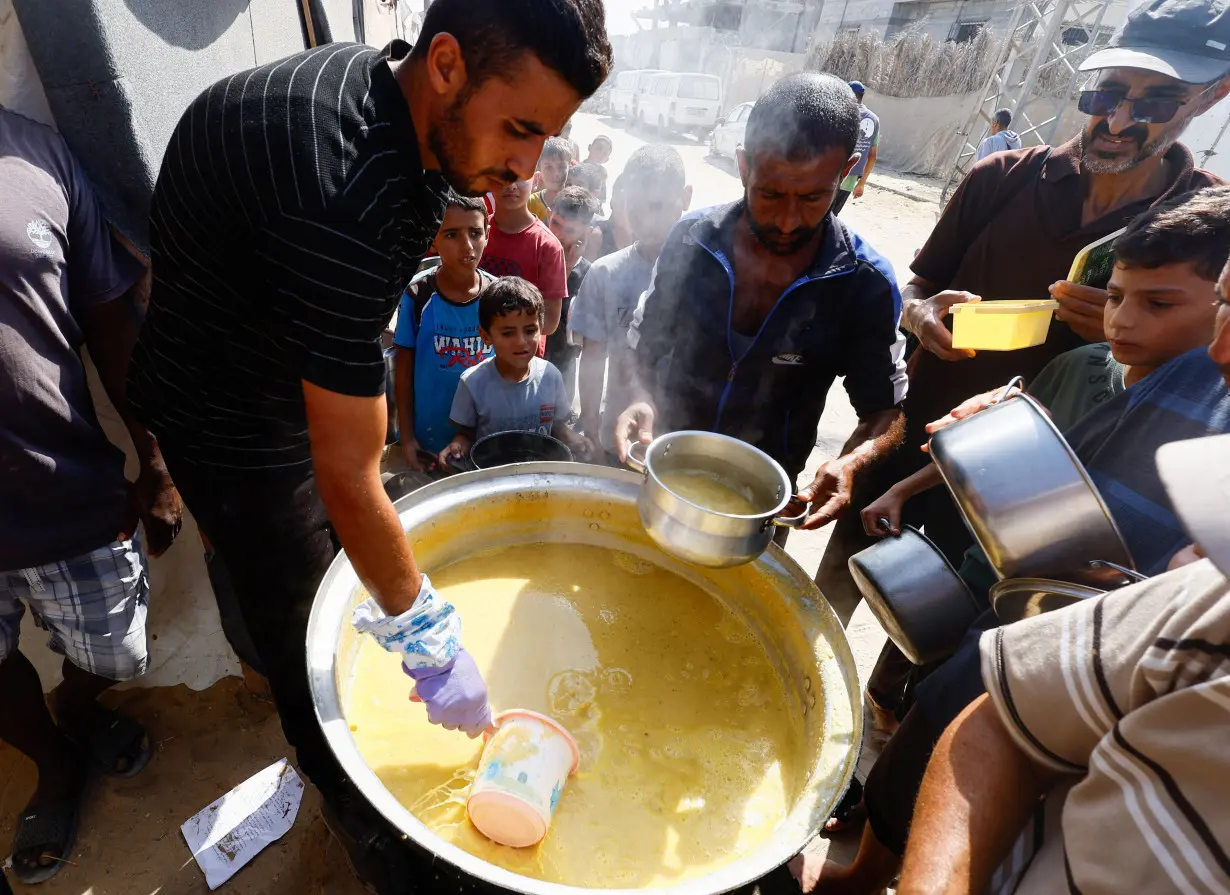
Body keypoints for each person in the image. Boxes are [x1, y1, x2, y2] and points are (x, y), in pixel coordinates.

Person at [124, 1, 612, 889]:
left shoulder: (394, 104)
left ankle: (262, 634)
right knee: (303, 629)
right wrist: (432, 644)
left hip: (254, 352)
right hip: (230, 424)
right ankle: (384, 847)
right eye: (521, 128)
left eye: (549, 138)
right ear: (450, 63)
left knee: (305, 589)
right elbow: (347, 473)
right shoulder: (344, 191)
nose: (525, 170)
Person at [794, 193, 1230, 894]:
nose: (1123, 319)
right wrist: (906, 487)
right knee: (927, 720)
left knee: (1008, 792)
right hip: (1006, 598)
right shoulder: (1085, 369)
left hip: (1100, 651)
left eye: (1160, 304)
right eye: (1116, 297)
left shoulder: (1211, 416)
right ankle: (868, 864)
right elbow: (1003, 437)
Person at [814, 0, 1229, 627]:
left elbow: (1212, 369)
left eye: (1153, 103)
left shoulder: (1207, 224)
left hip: (1048, 484)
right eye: (1107, 94)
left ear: (1209, 99)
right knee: (842, 584)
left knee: (953, 629)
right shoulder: (1002, 177)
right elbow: (916, 285)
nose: (1117, 120)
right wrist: (922, 315)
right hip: (917, 432)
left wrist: (1130, 336)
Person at [896, 430, 1230, 895]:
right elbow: (1000, 727)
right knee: (920, 728)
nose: (1187, 560)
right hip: (1019, 622)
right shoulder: (1212, 607)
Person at [615, 73, 908, 570]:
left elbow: (887, 411)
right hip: (663, 479)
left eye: (814, 197)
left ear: (849, 172)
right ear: (743, 164)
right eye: (769, 193)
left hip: (757, 511)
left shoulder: (863, 282)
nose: (789, 220)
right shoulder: (691, 240)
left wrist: (851, 461)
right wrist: (639, 396)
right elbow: (645, 341)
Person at [0, 107, 184, 885]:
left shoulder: (38, 152)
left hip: (67, 489)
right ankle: (53, 760)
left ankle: (77, 705)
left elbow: (112, 323)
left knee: (121, 650)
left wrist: (158, 461)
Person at [571, 145, 691, 461]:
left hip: (685, 443)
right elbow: (593, 357)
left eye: (658, 207)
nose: (646, 221)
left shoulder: (707, 275)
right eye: (635, 209)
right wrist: (593, 430)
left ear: (686, 199)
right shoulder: (606, 274)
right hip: (620, 439)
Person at [394, 195, 497, 471]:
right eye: (451, 234)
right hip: (428, 440)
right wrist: (407, 438)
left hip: (484, 441)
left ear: (488, 234)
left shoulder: (498, 297)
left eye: (475, 233)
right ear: (433, 239)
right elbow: (402, 372)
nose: (467, 246)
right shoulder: (418, 294)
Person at [440, 277, 589, 462]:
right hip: (493, 477)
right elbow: (466, 435)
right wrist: (457, 448)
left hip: (539, 477)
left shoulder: (550, 376)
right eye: (508, 333)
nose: (521, 341)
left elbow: (558, 427)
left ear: (540, 329)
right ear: (486, 336)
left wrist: (571, 438)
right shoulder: (472, 382)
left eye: (529, 330)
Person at [480, 177, 569, 346]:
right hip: (472, 351)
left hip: (521, 359)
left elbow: (549, 321)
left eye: (520, 177)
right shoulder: (475, 233)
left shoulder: (547, 246)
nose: (510, 185)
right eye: (502, 176)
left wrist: (504, 335)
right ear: (489, 180)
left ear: (535, 180)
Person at [545, 186, 602, 412]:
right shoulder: (536, 252)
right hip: (530, 355)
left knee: (559, 416)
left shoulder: (590, 273)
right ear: (549, 214)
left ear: (586, 233)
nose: (558, 234)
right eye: (555, 223)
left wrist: (568, 267)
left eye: (570, 230)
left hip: (564, 361)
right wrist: (564, 268)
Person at [830, 80, 879, 216]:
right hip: (851, 178)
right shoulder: (874, 120)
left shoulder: (840, 113)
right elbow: (873, 156)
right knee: (832, 216)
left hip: (831, 175)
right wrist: (861, 183)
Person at [584, 171, 635, 261]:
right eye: (623, 202)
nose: (628, 208)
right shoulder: (595, 234)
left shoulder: (646, 239)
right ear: (612, 203)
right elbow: (584, 272)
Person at [528, 136, 574, 221]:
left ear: (569, 166)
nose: (556, 174)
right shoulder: (529, 203)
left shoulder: (575, 204)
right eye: (549, 168)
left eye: (561, 167)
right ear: (539, 168)